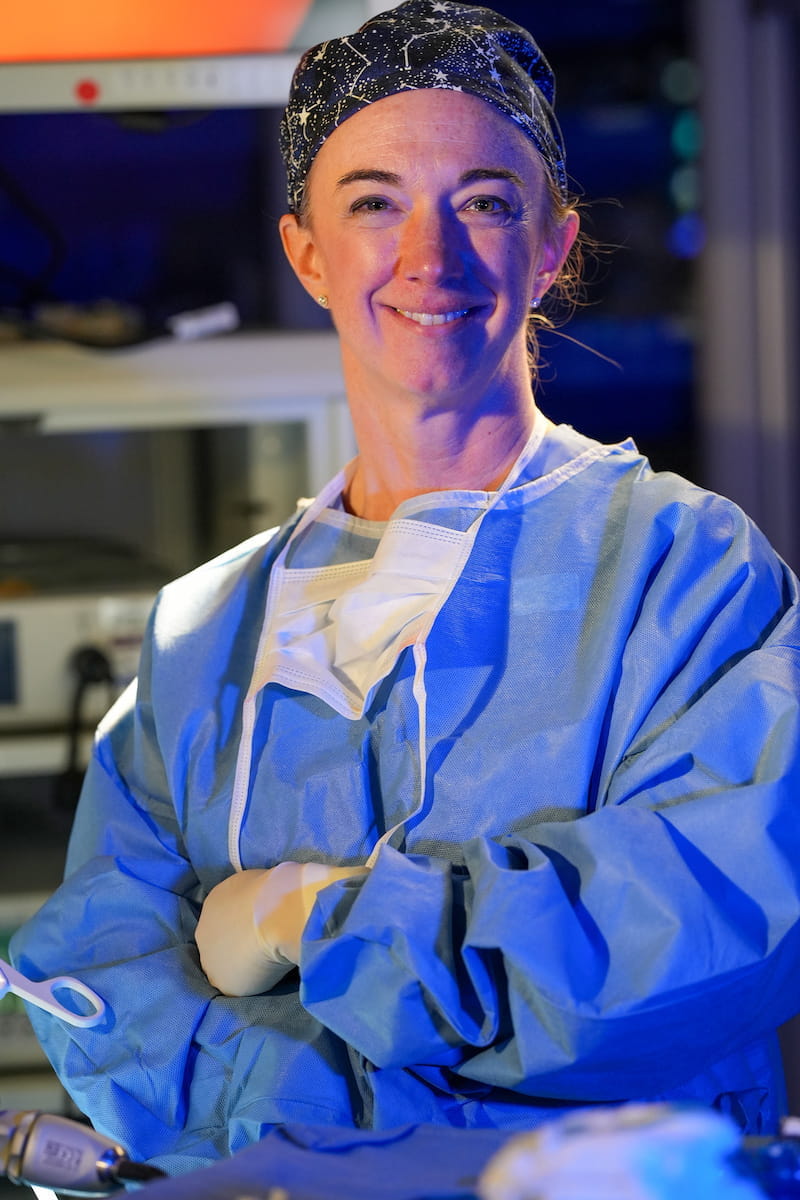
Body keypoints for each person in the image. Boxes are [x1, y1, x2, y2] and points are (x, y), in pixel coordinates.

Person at [11, 0, 800, 1176]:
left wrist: (304, 918)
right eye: (373, 203)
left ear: (550, 246)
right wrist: (312, 1149)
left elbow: (695, 938)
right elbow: (104, 982)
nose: (429, 260)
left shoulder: (682, 578)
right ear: (307, 253)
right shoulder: (207, 631)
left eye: (482, 203)